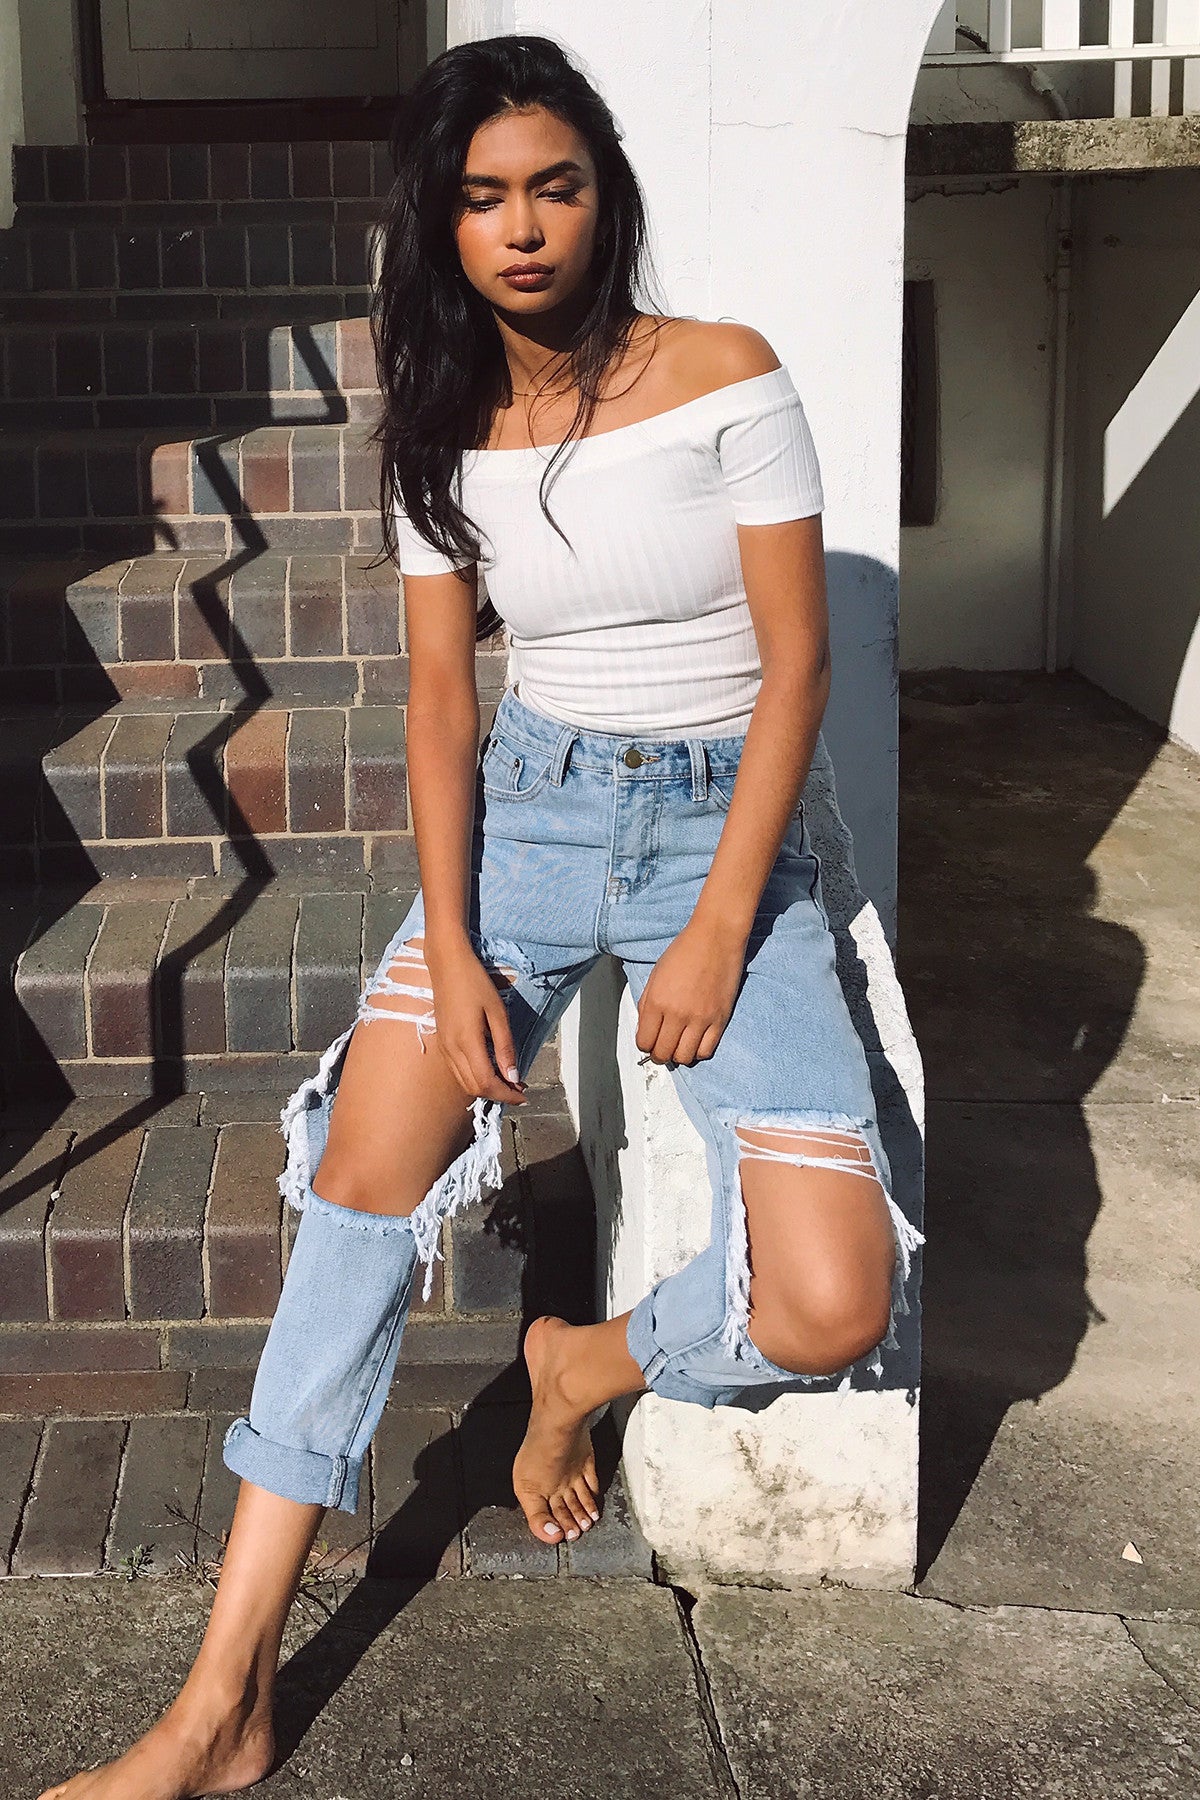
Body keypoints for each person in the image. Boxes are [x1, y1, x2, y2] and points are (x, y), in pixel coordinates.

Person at [39, 32, 923, 1800]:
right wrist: (450, 948)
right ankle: (222, 1700)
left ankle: (580, 1365)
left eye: (555, 187)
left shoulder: (725, 374)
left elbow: (800, 666)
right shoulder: (441, 426)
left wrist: (718, 919)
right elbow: (442, 704)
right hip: (528, 816)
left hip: (724, 837)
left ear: (606, 196)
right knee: (361, 1186)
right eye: (482, 197)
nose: (522, 228)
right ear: (439, 223)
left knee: (834, 1301)